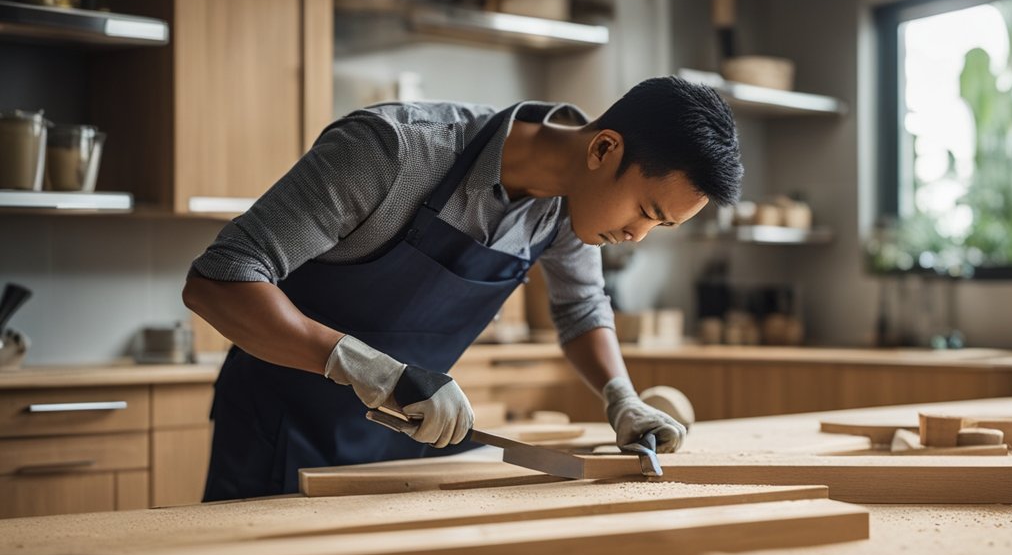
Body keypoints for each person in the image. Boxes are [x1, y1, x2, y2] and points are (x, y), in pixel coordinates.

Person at [184, 76, 743, 500]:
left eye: (659, 226)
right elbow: (219, 279)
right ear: (603, 150)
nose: (637, 237)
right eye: (646, 211)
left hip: (408, 439)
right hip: (282, 428)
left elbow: (580, 310)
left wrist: (622, 398)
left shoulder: (571, 211)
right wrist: (372, 370)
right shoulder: (389, 151)